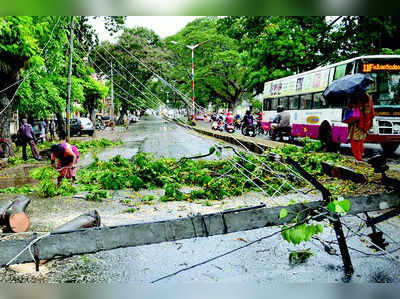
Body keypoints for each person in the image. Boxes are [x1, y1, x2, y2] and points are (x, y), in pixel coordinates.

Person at [347, 93, 375, 161]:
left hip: (357, 123)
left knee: (355, 141)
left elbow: (350, 108)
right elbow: (371, 113)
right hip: (364, 124)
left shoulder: (357, 97)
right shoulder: (368, 97)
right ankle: (361, 154)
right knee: (360, 140)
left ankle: (359, 158)